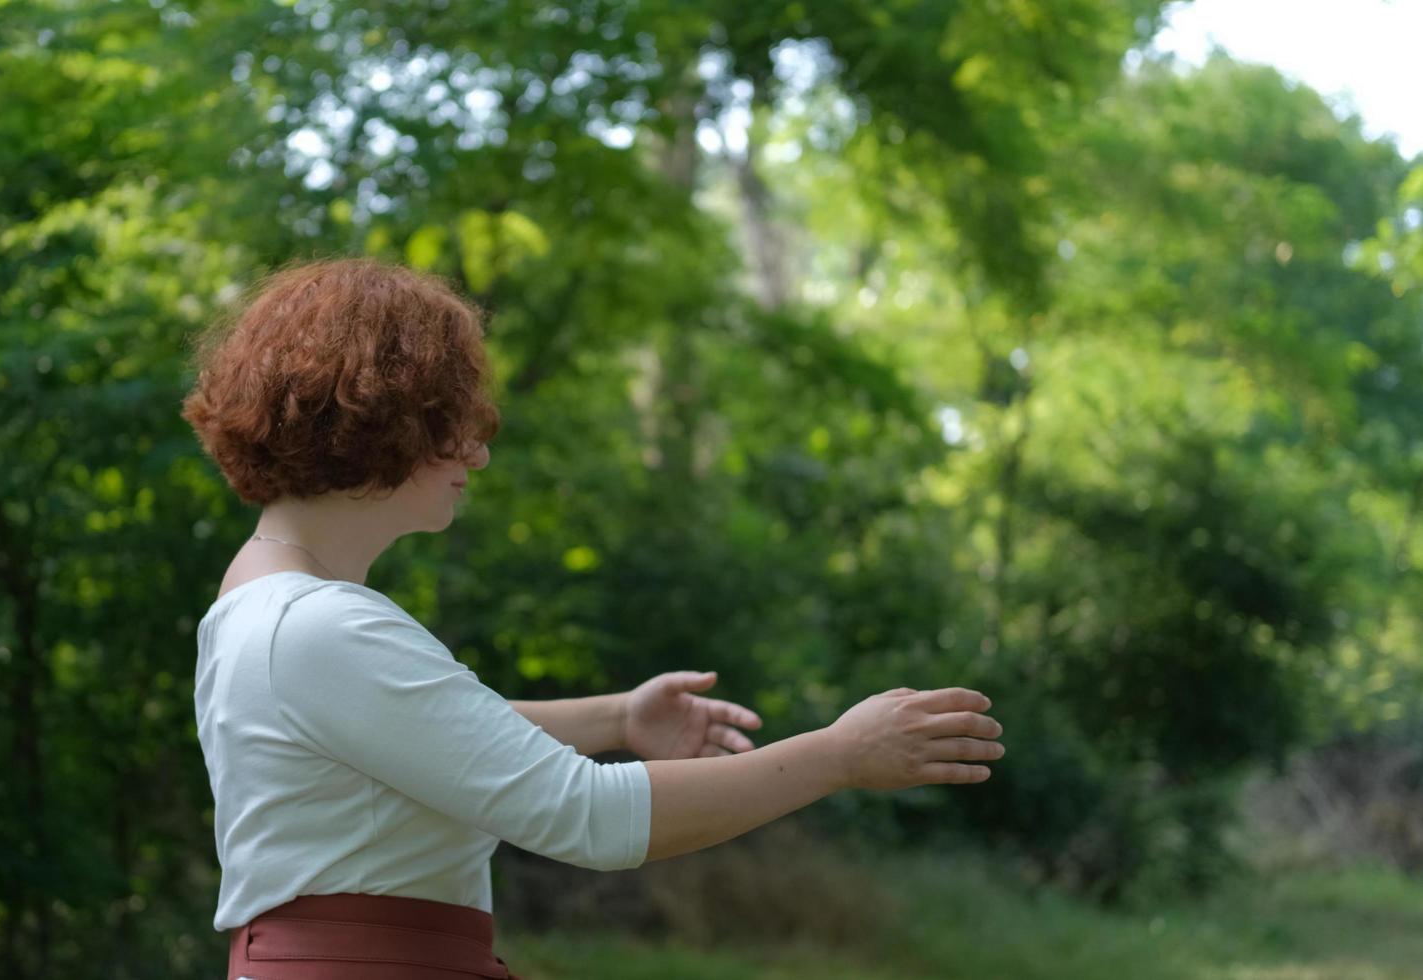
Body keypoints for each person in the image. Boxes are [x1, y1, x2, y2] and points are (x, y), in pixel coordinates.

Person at [182, 257, 1005, 979]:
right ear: (368, 421)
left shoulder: (256, 604)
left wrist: (616, 716)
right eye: (447, 426)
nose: (476, 453)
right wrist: (838, 755)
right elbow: (592, 820)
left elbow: (425, 732)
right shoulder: (321, 625)